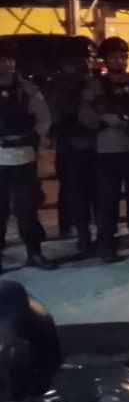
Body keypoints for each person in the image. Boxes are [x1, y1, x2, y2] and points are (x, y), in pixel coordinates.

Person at [78, 37, 129, 263]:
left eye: (123, 56)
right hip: (106, 152)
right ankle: (107, 245)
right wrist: (104, 118)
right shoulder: (96, 87)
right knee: (108, 201)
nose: (120, 61)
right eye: (114, 57)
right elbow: (85, 116)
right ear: (106, 60)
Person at [0, 40, 56, 272]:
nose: (3, 65)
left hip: (23, 155)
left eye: (7, 60)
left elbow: (44, 118)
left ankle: (34, 252)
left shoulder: (27, 89)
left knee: (27, 209)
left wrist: (36, 138)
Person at [48, 44, 97, 248]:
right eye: (83, 59)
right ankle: (79, 232)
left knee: (93, 191)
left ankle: (89, 232)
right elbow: (57, 117)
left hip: (93, 145)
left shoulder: (93, 83)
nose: (87, 63)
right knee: (74, 191)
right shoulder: (60, 87)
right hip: (70, 146)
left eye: (89, 58)